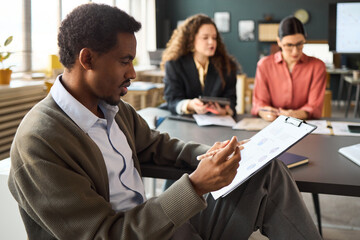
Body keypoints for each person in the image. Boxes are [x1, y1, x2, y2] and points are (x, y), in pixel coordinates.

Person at [8, 4, 321, 239]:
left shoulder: (115, 110)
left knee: (266, 171)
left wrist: (218, 153)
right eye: (124, 61)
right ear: (87, 59)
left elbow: (158, 146)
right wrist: (196, 186)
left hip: (161, 226)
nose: (132, 72)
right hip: (139, 231)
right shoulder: (40, 142)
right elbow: (105, 235)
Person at [251, 16, 327, 122]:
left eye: (300, 44)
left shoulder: (317, 66)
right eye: (289, 45)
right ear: (279, 42)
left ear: (305, 39)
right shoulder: (264, 65)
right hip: (272, 123)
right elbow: (259, 103)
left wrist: (295, 114)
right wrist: (266, 112)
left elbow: (314, 106)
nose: (295, 51)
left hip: (304, 123)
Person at [161, 14, 239, 116]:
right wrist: (190, 105)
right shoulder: (174, 64)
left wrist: (225, 111)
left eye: (214, 38)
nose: (211, 42)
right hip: (184, 122)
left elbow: (231, 101)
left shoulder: (228, 66)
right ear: (191, 40)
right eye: (205, 37)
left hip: (216, 123)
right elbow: (172, 101)